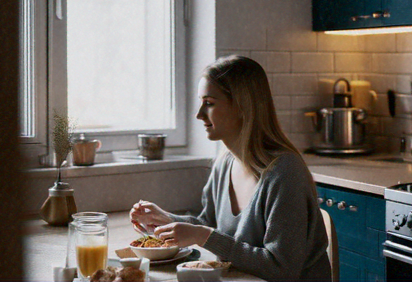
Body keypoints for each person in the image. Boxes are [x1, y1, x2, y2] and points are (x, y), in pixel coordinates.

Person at [129, 55, 331, 282]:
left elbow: (281, 269)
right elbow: (209, 226)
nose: (199, 114)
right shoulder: (225, 163)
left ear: (243, 107)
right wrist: (165, 219)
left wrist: (202, 235)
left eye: (209, 103)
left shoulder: (284, 172)